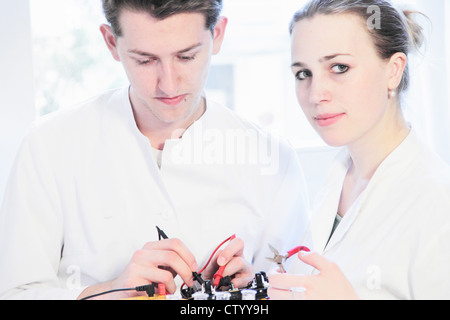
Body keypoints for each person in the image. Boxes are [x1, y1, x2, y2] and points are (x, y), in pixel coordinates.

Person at [0, 0, 310, 300]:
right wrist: (108, 294)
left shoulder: (273, 160)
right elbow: (14, 293)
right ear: (111, 42)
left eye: (186, 56)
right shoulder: (49, 147)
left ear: (217, 35)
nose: (169, 85)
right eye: (145, 60)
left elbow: (300, 292)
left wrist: (249, 292)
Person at [268, 0, 450, 300]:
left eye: (339, 68)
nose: (316, 94)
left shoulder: (437, 201)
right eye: (303, 74)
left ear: (393, 71)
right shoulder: (339, 176)